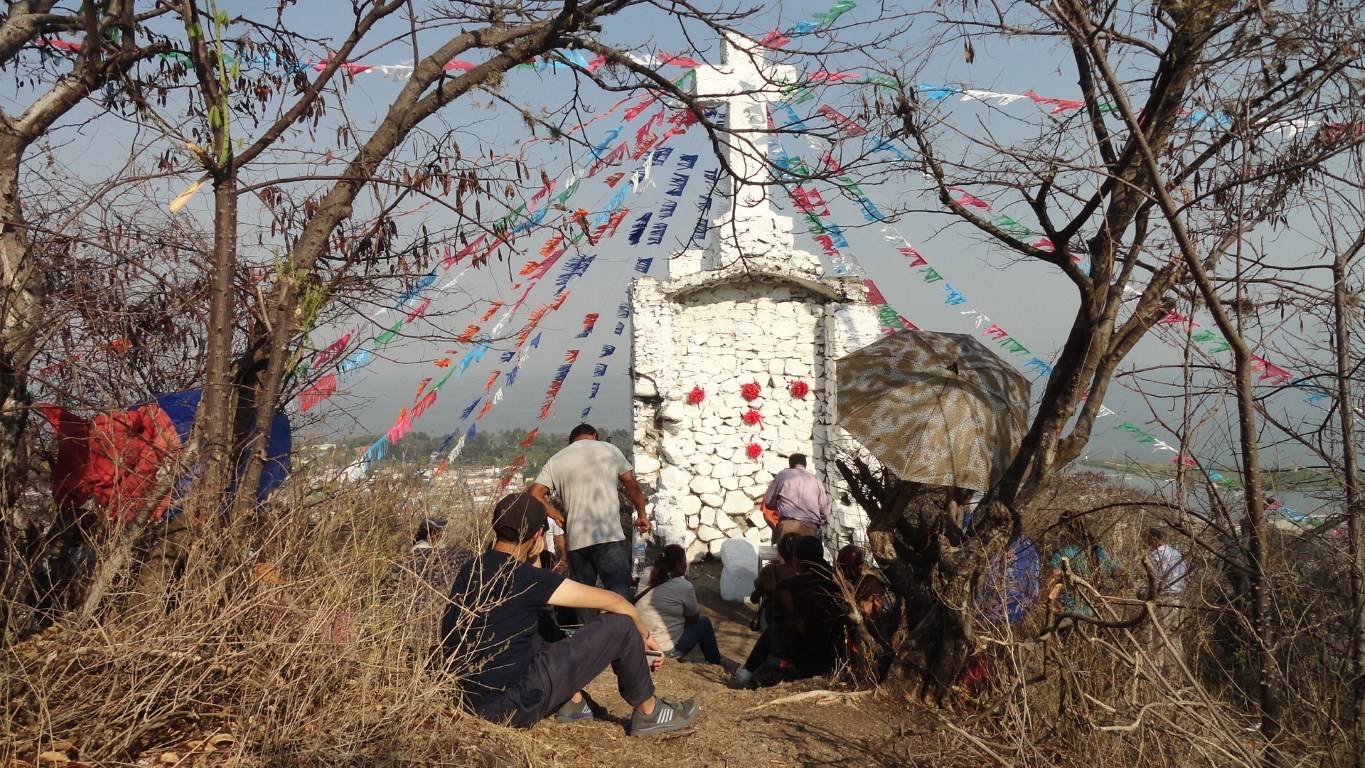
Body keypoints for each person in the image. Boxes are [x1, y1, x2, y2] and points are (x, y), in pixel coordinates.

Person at [440, 493, 698, 736]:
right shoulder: (528, 579)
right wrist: (646, 635)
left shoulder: (472, 568)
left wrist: (532, 560)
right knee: (620, 624)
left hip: (468, 697)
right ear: (539, 533)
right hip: (511, 706)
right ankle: (649, 711)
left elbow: (538, 608)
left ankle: (573, 703)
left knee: (539, 623)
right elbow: (615, 601)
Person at [530, 424, 648, 614]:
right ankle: (622, 637)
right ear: (594, 435)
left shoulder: (557, 459)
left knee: (584, 598)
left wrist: (557, 516)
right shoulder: (609, 450)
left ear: (571, 440)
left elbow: (534, 494)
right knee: (619, 595)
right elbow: (632, 486)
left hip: (578, 540)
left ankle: (587, 639)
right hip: (609, 535)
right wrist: (642, 515)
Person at [732, 536, 846, 688]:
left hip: (800, 653)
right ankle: (750, 670)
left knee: (773, 628)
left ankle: (747, 671)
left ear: (797, 560)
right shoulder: (837, 584)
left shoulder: (787, 587)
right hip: (829, 653)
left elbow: (778, 622)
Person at [634, 544, 725, 665]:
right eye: (684, 560)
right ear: (677, 565)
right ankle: (716, 664)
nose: (686, 564)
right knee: (704, 623)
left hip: (640, 644)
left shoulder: (646, 572)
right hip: (664, 650)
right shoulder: (684, 586)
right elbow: (693, 618)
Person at [836, 544, 902, 679]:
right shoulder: (851, 581)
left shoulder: (869, 582)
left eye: (846, 567)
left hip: (875, 635)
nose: (843, 571)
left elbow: (869, 612)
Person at [1138, 526, 1188, 669]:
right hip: (1178, 600)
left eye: (1145, 540)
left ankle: (1158, 670)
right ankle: (1178, 670)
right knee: (1174, 636)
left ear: (1153, 540)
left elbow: (1153, 581)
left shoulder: (1155, 556)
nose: (1144, 544)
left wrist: (1142, 592)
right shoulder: (1176, 553)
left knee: (1158, 638)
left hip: (1163, 600)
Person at [761, 453, 831, 543]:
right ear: (805, 465)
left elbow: (769, 500)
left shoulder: (783, 475)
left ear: (790, 464)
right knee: (808, 556)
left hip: (788, 526)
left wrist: (776, 506)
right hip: (810, 527)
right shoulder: (816, 479)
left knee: (787, 556)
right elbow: (824, 510)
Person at [750, 533, 800, 632]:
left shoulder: (770, 570)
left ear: (779, 552)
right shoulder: (806, 572)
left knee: (766, 595)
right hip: (800, 622)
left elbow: (756, 594)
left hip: (773, 621)